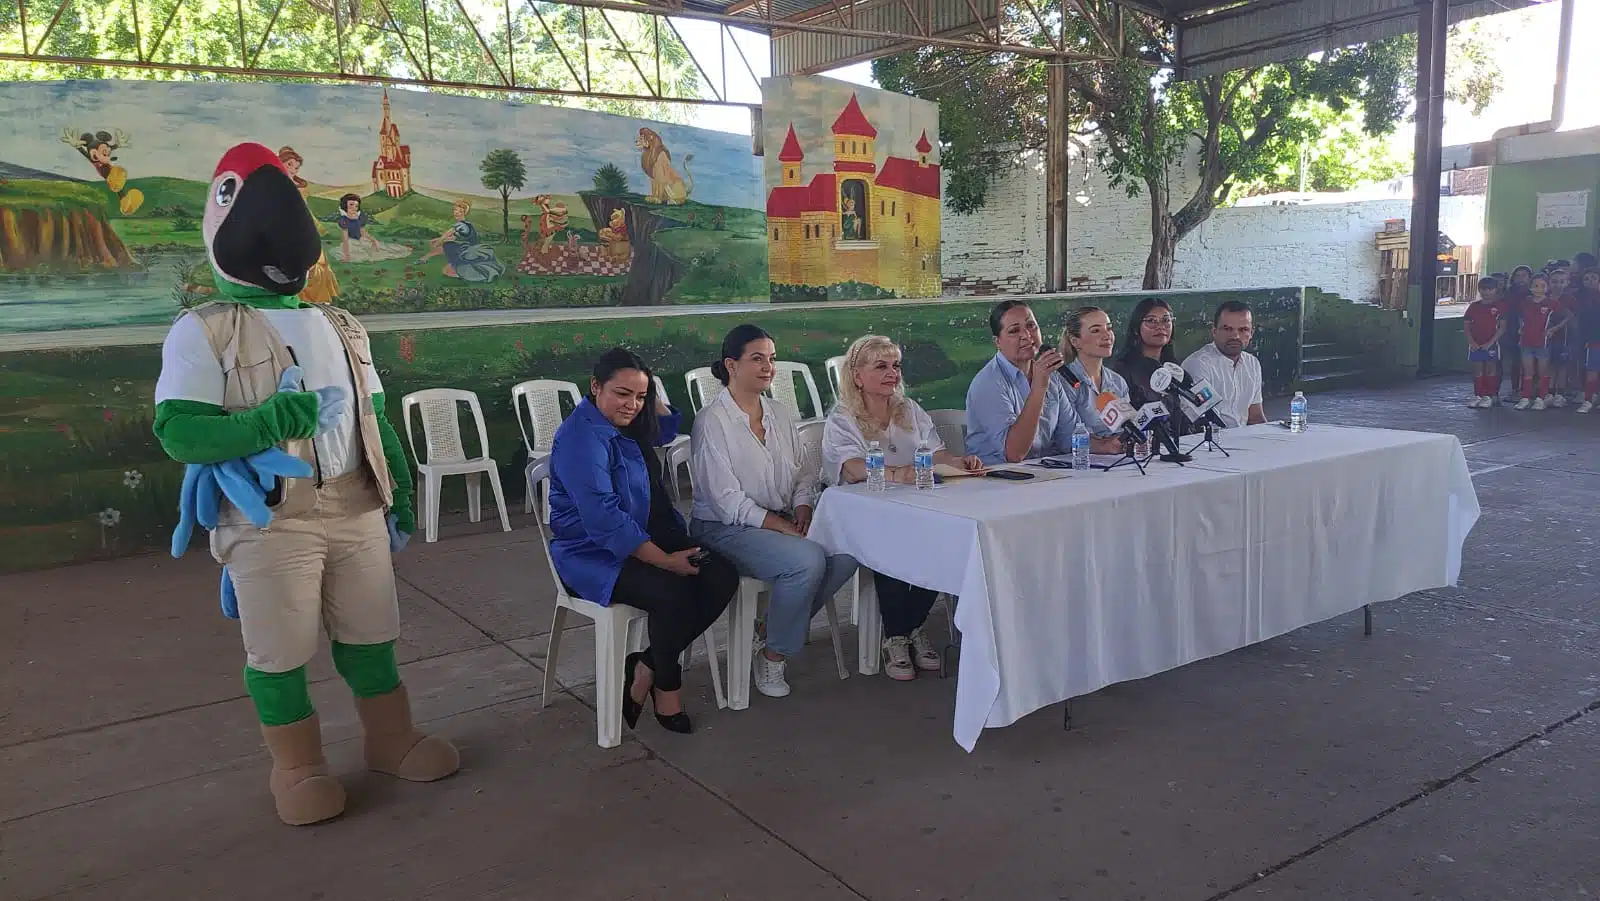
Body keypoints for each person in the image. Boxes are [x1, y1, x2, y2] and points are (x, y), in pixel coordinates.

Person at [547, 348, 738, 735]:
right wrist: (665, 561)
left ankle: (647, 664)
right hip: (594, 552)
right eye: (622, 393)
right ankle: (668, 687)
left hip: (650, 535)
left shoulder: (628, 419)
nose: (632, 405)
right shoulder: (581, 438)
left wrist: (646, 395)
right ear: (595, 386)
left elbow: (667, 429)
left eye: (640, 396)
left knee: (722, 576)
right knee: (673, 593)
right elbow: (603, 520)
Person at [689, 325, 858, 700]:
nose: (768, 367)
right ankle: (773, 655)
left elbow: (803, 473)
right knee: (807, 560)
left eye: (772, 358)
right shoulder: (711, 421)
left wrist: (801, 508)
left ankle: (771, 629)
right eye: (757, 358)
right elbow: (726, 501)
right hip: (722, 528)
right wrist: (782, 526)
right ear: (731, 366)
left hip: (778, 517)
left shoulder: (779, 413)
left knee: (846, 552)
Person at [821, 335, 983, 679]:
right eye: (881, 366)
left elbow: (936, 452)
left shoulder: (907, 408)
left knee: (946, 543)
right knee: (890, 545)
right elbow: (852, 468)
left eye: (895, 365)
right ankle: (899, 634)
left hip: (914, 505)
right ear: (857, 376)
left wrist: (958, 461)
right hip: (866, 512)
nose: (892, 373)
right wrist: (899, 474)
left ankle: (908, 628)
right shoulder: (843, 417)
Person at [964, 300, 1083, 464]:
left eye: (1031, 326)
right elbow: (1014, 454)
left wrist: (1109, 445)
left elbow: (1070, 437)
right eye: (1014, 331)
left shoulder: (1050, 374)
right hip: (998, 477)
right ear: (997, 342)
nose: (1027, 335)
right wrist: (1039, 389)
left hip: (1045, 471)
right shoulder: (988, 383)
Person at [1057, 306, 1134, 453]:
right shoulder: (1063, 381)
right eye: (1096, 330)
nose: (1107, 335)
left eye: (1109, 328)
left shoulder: (1118, 382)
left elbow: (1126, 426)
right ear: (1075, 341)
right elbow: (1064, 438)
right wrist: (1104, 446)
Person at [1181, 300, 1265, 428]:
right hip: (1210, 443)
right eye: (1227, 329)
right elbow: (1196, 424)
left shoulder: (1252, 364)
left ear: (1251, 333)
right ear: (1214, 331)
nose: (1235, 336)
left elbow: (1256, 417)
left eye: (1243, 329)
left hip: (1244, 440)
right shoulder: (1199, 365)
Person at [1514, 272, 1573, 411]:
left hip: (1543, 343)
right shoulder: (1525, 303)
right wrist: (1521, 327)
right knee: (1528, 371)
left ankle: (1541, 398)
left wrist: (1553, 329)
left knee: (1543, 372)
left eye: (1542, 286)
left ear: (1547, 288)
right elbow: (1520, 318)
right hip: (1526, 342)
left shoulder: (1552, 303)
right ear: (1530, 287)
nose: (1538, 289)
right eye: (1535, 286)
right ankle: (1526, 397)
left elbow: (1568, 316)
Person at [1463, 275, 1509, 408]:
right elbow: (1466, 326)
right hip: (1475, 344)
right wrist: (1472, 342)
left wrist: (1490, 343)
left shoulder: (1500, 306)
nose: (1486, 292)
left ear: (1496, 290)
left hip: (1492, 344)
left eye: (1489, 289)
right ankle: (1478, 395)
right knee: (1478, 370)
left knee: (1490, 370)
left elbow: (1502, 328)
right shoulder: (1474, 306)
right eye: (1483, 289)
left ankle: (1489, 396)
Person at [1576, 268, 1600, 413]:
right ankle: (1588, 400)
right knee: (1591, 370)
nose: (1590, 281)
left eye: (1593, 278)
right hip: (1592, 340)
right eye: (1587, 279)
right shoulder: (1581, 299)